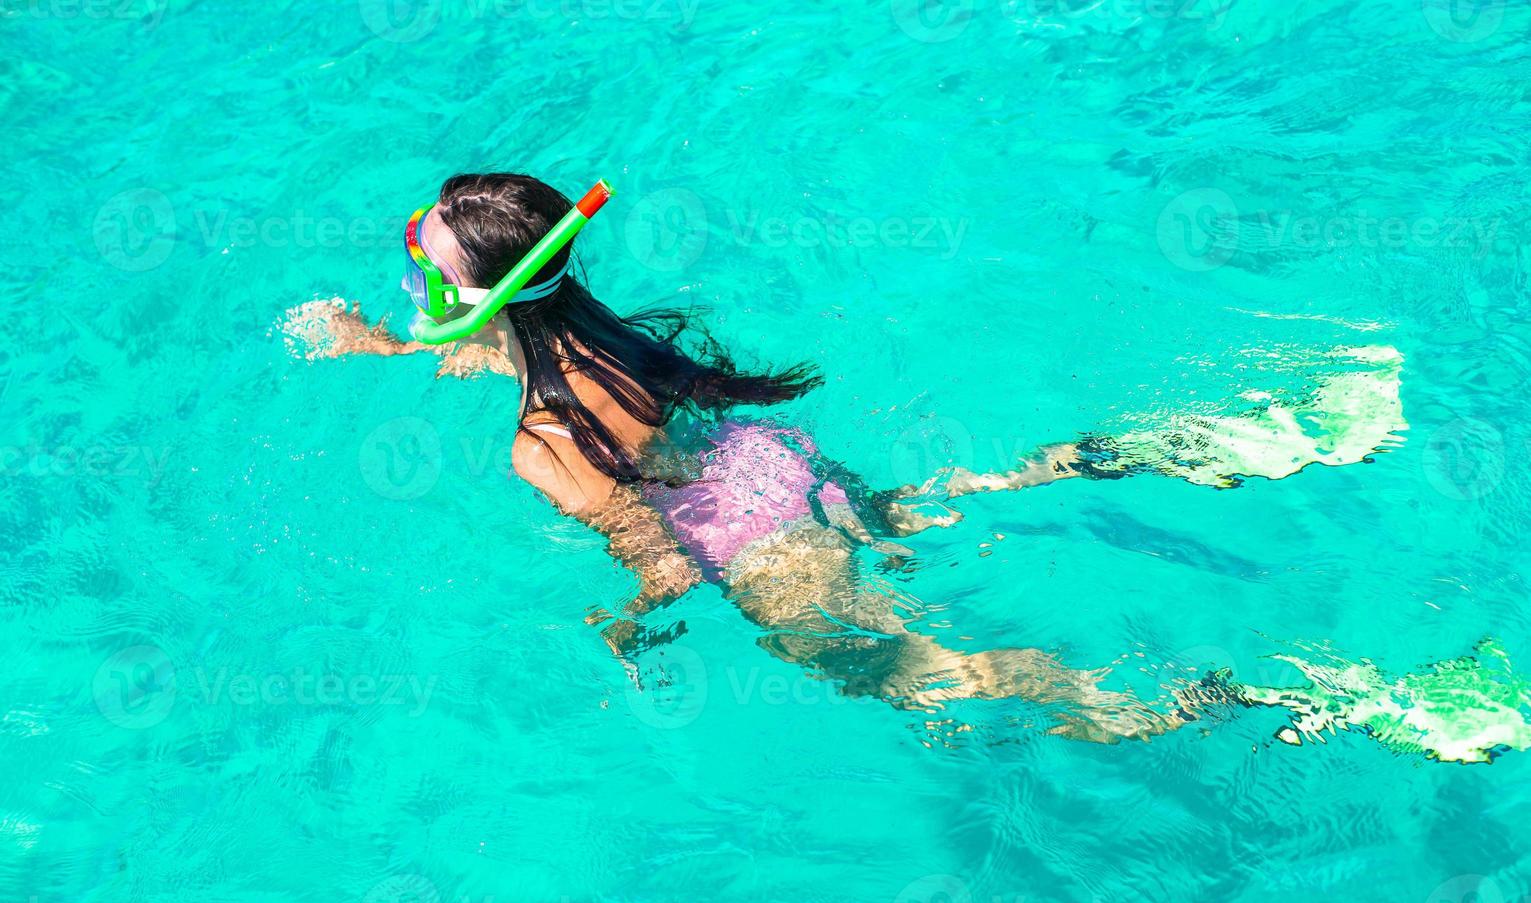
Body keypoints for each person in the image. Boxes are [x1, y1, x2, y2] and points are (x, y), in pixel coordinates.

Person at [288, 171, 1409, 745]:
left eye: (421, 269)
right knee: (943, 503)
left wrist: (621, 628)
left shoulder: (541, 444)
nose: (411, 280)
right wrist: (378, 344)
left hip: (761, 550)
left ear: (467, 300)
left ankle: (1270, 696)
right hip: (782, 465)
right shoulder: (616, 333)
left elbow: (663, 559)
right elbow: (516, 352)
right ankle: (1184, 445)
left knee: (926, 671)